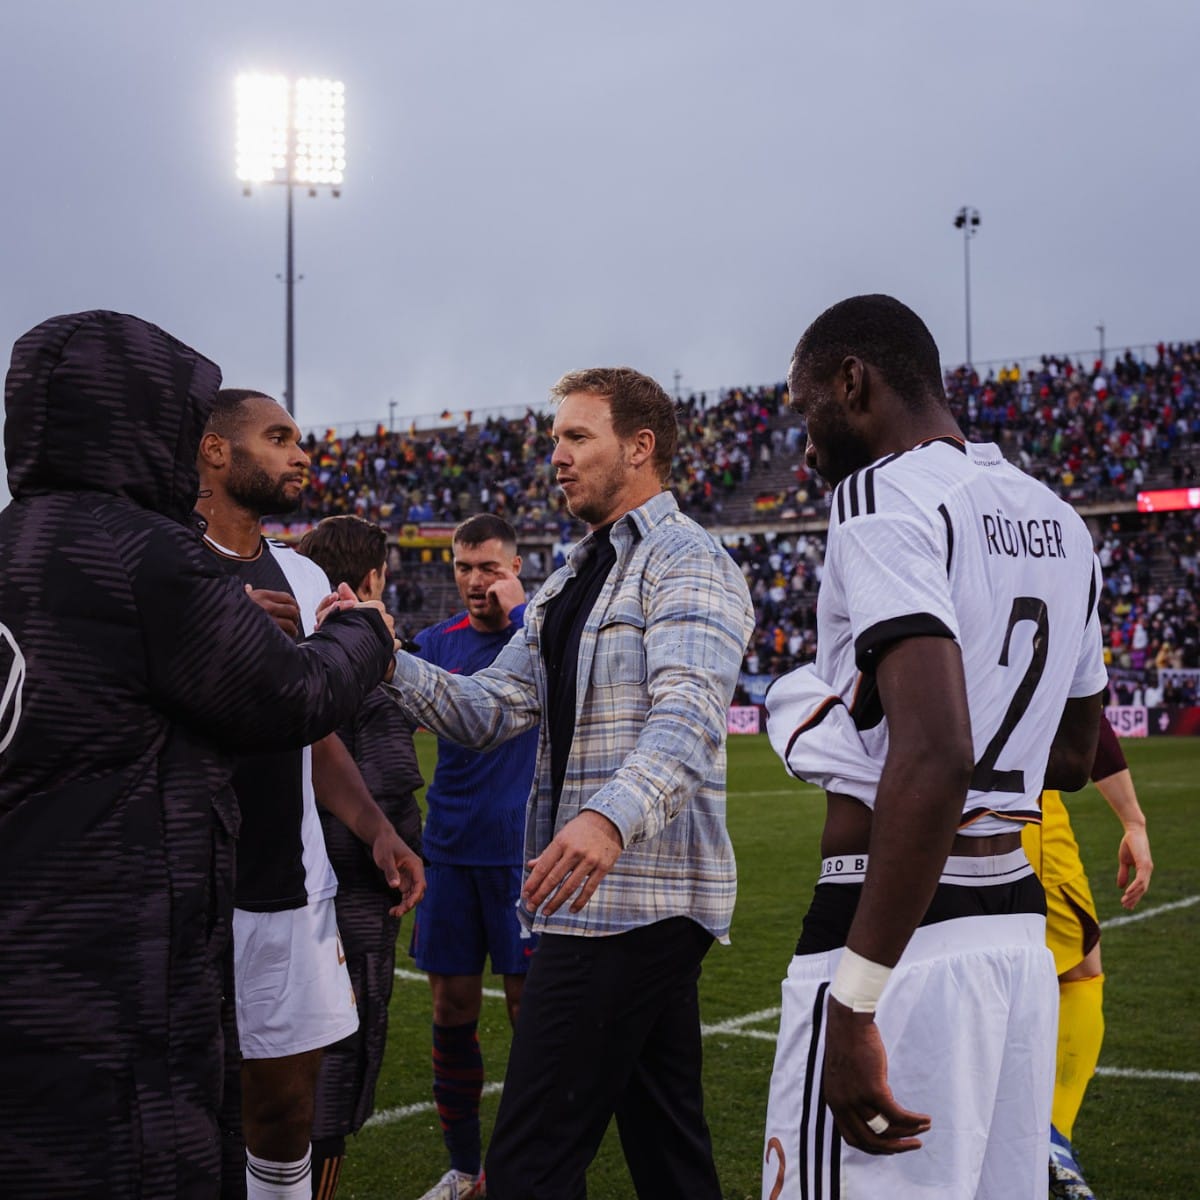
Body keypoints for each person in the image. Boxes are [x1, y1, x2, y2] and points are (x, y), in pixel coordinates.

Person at [0, 311, 405, 1199]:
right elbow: (293, 697)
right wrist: (364, 635)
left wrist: (375, 828)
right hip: (127, 935)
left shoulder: (17, 539)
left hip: (49, 924)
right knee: (154, 1141)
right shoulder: (147, 554)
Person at [762, 295, 1107, 1200]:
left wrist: (856, 1001)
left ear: (853, 382)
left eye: (807, 407)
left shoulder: (879, 495)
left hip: (898, 935)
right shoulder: (1059, 519)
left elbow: (940, 754)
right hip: (1017, 942)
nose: (803, 440)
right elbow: (1074, 753)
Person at [389, 367, 756, 1199]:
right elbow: (488, 710)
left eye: (576, 436)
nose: (555, 455)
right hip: (600, 902)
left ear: (639, 447)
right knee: (669, 1148)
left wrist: (606, 821)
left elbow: (690, 715)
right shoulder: (568, 577)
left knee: (528, 1164)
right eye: (554, 438)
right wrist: (383, 659)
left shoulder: (687, 557)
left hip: (628, 902)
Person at [196, 390, 426, 1200]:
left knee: (287, 1108)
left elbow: (313, 723)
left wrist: (375, 829)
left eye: (299, 439)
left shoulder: (298, 572)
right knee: (189, 1104)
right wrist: (217, 635)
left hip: (291, 894)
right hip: (189, 887)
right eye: (279, 438)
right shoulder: (164, 565)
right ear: (215, 453)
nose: (301, 455)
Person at [406, 514, 538, 1200]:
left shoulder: (542, 632)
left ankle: (520, 1169)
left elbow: (561, 679)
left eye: (489, 566)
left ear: (517, 566)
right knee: (451, 1008)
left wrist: (523, 615)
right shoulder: (434, 643)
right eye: (463, 567)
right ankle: (464, 1169)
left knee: (530, 1015)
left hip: (524, 859)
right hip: (450, 852)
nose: (475, 580)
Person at [296, 516, 426, 1199]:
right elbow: (385, 787)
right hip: (348, 890)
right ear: (372, 577)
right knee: (338, 1060)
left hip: (287, 882)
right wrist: (400, 843)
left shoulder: (290, 640)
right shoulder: (363, 666)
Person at [1022, 713, 1153, 1199]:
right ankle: (1050, 1140)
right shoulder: (1054, 631)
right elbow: (1082, 710)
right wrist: (1133, 821)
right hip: (1019, 808)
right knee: (1079, 973)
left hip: (908, 807)